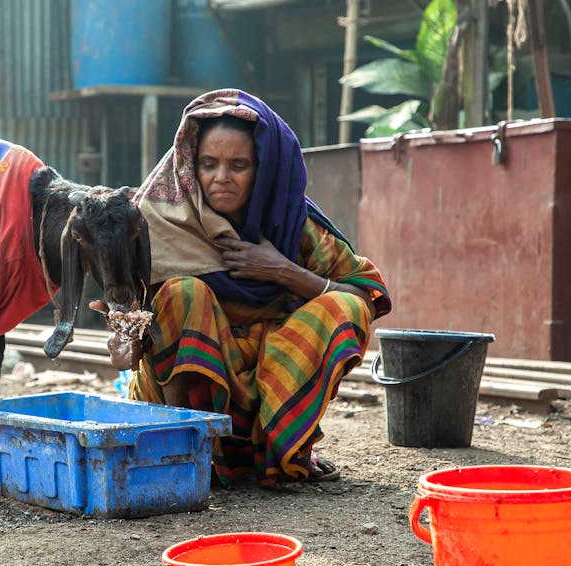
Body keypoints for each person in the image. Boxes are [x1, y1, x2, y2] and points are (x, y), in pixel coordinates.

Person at [96, 89, 391, 487]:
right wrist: (123, 341)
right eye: (208, 163)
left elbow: (363, 295)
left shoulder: (291, 225)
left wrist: (282, 270)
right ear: (189, 165)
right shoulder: (158, 225)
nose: (221, 178)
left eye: (239, 165)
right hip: (178, 390)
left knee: (343, 307)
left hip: (274, 378)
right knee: (184, 293)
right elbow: (128, 328)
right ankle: (185, 449)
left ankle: (283, 446)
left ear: (265, 169)